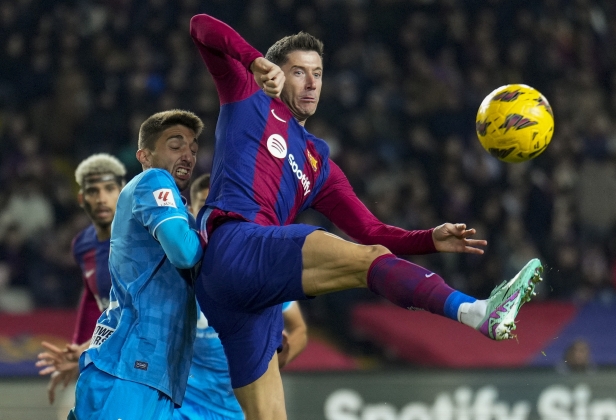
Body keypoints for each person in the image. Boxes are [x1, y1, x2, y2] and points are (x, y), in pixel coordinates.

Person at [190, 14, 543, 419]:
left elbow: (371, 229)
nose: (311, 83)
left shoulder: (318, 161)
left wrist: (430, 238)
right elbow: (201, 26)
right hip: (235, 243)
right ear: (277, 75)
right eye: (299, 72)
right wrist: (254, 61)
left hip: (246, 296)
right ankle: (475, 311)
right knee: (360, 257)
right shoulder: (247, 97)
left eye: (318, 74)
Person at [68, 109, 205, 419]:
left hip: (153, 372)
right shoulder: (153, 180)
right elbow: (184, 253)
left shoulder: (177, 209)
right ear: (144, 155)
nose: (188, 154)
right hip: (129, 367)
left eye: (193, 148)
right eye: (176, 145)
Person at [174, 174, 308, 420]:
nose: (212, 216)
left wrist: (279, 360)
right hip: (184, 406)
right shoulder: (178, 268)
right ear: (191, 210)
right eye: (204, 206)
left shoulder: (258, 269)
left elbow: (298, 329)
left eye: (218, 207)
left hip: (239, 407)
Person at [36, 153, 126, 408]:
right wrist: (77, 350)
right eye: (93, 191)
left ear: (123, 192)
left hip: (144, 356)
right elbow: (91, 298)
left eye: (109, 189)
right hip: (108, 349)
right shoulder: (83, 244)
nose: (101, 198)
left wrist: (87, 349)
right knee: (70, 409)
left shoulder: (142, 239)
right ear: (81, 199)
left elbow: (136, 308)